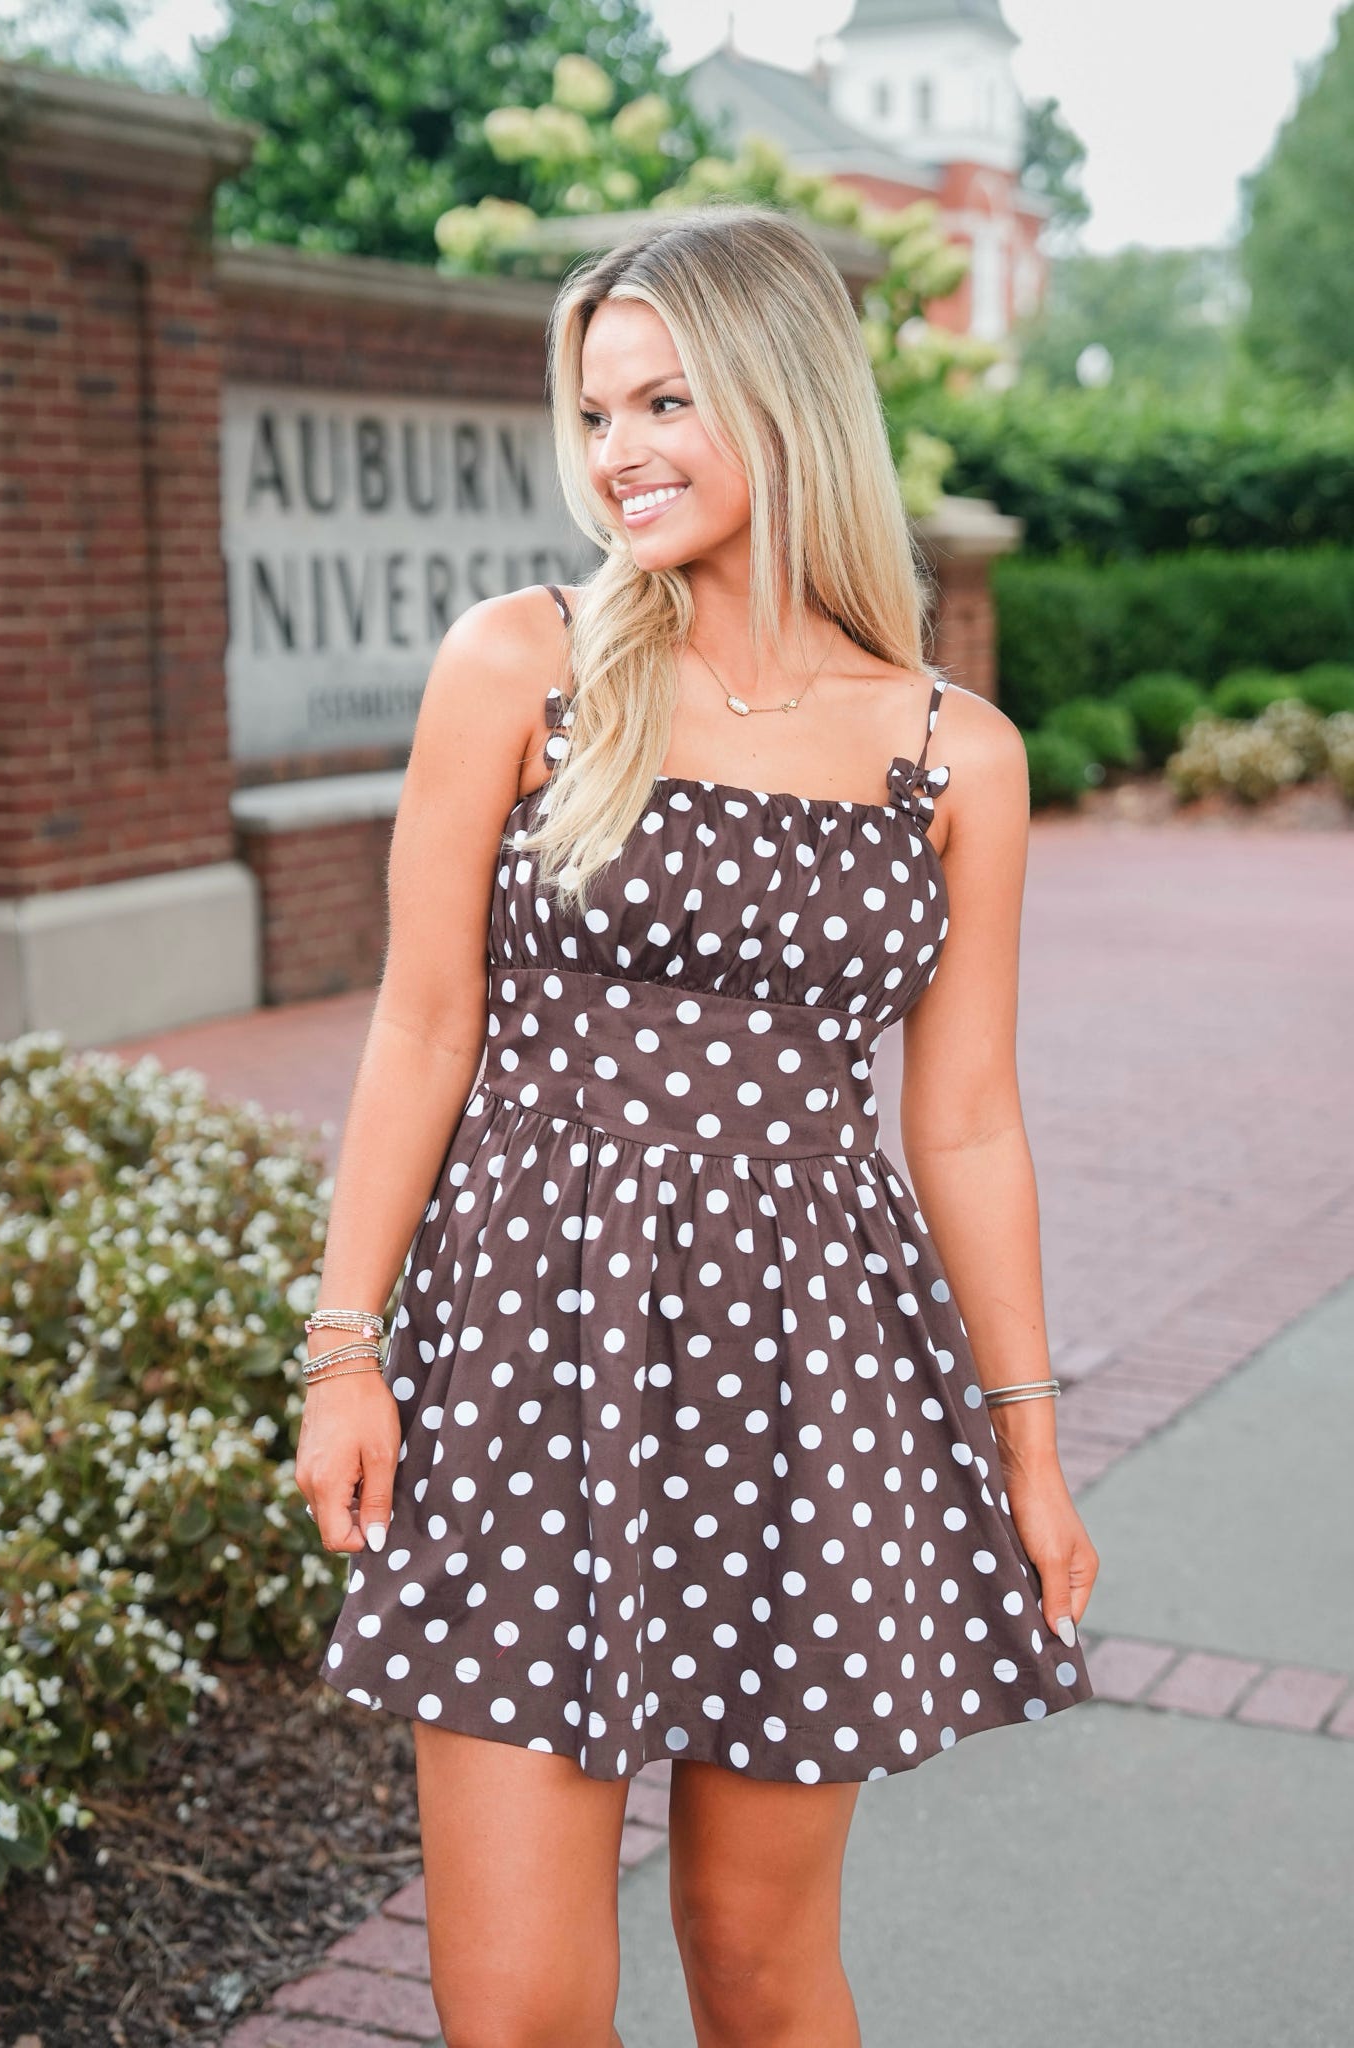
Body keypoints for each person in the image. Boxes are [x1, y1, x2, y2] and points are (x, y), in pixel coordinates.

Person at [296, 202, 1099, 2048]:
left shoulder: (951, 750)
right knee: (518, 2010)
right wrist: (346, 1349)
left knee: (756, 1964)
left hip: (811, 1373)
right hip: (530, 1346)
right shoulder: (523, 663)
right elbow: (421, 1024)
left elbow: (966, 1124)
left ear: (786, 397)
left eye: (664, 403)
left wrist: (1027, 1444)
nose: (617, 453)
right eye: (595, 414)